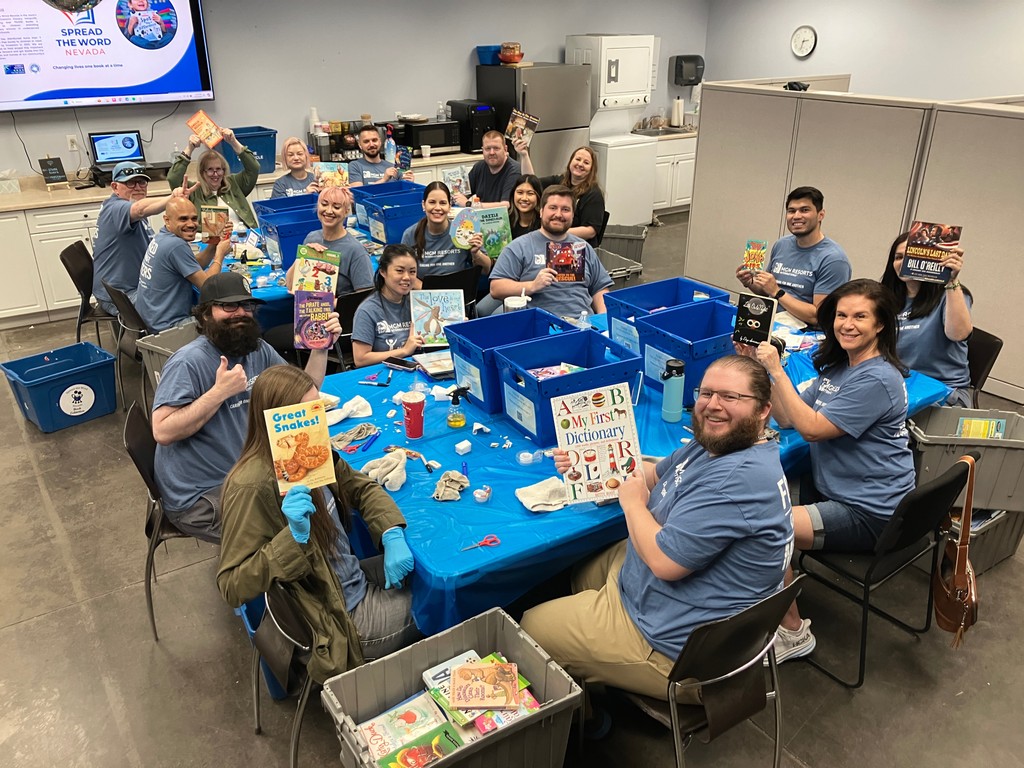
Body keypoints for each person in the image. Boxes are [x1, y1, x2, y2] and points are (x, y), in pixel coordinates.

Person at [520, 355, 793, 701]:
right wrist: (589, 461)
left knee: (531, 625)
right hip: (669, 600)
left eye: (731, 397)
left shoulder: (734, 480)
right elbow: (651, 474)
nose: (713, 406)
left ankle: (585, 718)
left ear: (763, 409)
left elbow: (664, 562)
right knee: (582, 571)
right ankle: (589, 664)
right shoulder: (721, 443)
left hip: (674, 650)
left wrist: (632, 503)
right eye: (706, 393)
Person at [745, 278, 916, 662]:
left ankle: (792, 631)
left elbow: (812, 429)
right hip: (841, 492)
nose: (847, 324)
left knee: (765, 529)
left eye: (860, 316)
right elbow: (789, 418)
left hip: (870, 511)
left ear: (881, 325)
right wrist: (765, 370)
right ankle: (768, 591)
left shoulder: (877, 378)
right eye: (841, 315)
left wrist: (777, 369)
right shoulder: (841, 367)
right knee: (759, 505)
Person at [217, 364, 419, 682]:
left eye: (318, 410)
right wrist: (292, 539)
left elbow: (360, 486)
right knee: (447, 606)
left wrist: (391, 532)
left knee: (432, 575)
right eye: (308, 414)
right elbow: (232, 585)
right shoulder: (251, 485)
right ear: (276, 420)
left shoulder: (309, 450)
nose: (319, 424)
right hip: (339, 621)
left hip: (349, 583)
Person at [151, 272, 340, 543]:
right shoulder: (188, 362)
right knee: (297, 532)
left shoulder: (256, 350)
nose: (240, 313)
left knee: (322, 499)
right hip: (202, 499)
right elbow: (162, 431)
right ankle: (264, 580)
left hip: (247, 477)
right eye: (229, 306)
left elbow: (302, 392)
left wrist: (321, 347)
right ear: (205, 315)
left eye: (247, 306)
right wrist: (219, 393)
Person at [488, 185, 613, 317]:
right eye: (553, 208)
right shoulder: (519, 247)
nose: (558, 214)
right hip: (539, 326)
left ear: (572, 215)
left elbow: (600, 288)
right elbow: (496, 288)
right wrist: (532, 286)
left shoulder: (583, 247)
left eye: (565, 209)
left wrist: (604, 319)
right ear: (541, 212)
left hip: (583, 324)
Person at [735, 186, 851, 326]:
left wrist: (777, 292)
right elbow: (767, 292)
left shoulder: (833, 259)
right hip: (769, 322)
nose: (796, 216)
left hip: (804, 335)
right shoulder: (781, 244)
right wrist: (750, 283)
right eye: (791, 211)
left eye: (804, 210)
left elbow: (819, 316)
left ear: (821, 215)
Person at [880, 232, 973, 406]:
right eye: (898, 257)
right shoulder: (887, 297)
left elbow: (959, 334)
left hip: (943, 392)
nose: (903, 262)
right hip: (899, 384)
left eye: (911, 256)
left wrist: (952, 280)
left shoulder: (950, 295)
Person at [91, 161, 196, 315]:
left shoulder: (130, 205)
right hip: (121, 296)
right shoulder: (116, 208)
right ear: (115, 187)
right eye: (130, 183)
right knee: (182, 297)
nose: (138, 187)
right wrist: (172, 198)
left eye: (142, 182)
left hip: (128, 287)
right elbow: (139, 209)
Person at [135, 197, 233, 332]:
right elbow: (208, 286)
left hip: (151, 318)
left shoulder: (163, 236)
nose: (191, 224)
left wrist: (213, 245)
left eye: (194, 218)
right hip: (168, 327)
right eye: (183, 219)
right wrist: (219, 255)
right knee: (233, 317)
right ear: (167, 220)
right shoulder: (175, 245)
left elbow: (192, 266)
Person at [285, 186, 374, 296]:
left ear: (346, 211)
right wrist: (303, 256)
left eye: (336, 207)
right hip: (309, 310)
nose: (329, 211)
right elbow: (290, 284)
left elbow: (365, 298)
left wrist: (328, 301)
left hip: (341, 312)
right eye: (324, 204)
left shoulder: (355, 251)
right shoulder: (311, 237)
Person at [168, 127, 260, 228]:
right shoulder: (193, 190)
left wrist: (233, 142)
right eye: (210, 170)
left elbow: (254, 168)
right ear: (202, 172)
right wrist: (190, 148)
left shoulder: (234, 184)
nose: (215, 174)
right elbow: (173, 178)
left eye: (219, 169)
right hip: (213, 242)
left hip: (245, 237)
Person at [515, 143, 606, 245]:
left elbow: (590, 231)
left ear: (592, 169)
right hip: (552, 242)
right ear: (570, 161)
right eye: (578, 159)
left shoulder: (594, 194)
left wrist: (555, 232)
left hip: (577, 247)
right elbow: (531, 182)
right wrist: (524, 155)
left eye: (586, 162)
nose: (580, 164)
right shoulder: (559, 181)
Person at [401, 182, 487, 284]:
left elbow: (485, 270)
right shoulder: (410, 235)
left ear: (449, 206)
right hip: (423, 295)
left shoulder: (463, 232)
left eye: (443, 203)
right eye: (432, 202)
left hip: (458, 294)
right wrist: (429, 293)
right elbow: (404, 274)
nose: (437, 208)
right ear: (423, 205)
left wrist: (476, 253)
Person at [351, 244, 423, 366]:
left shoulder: (418, 304)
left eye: (412, 272)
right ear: (383, 272)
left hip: (417, 369)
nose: (406, 277)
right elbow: (360, 359)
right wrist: (404, 350)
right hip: (383, 374)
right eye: (399, 271)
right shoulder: (367, 310)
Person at [452, 131, 520, 209]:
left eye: (496, 148)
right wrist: (456, 195)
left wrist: (469, 204)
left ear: (505, 149)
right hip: (482, 218)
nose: (491, 152)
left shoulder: (514, 171)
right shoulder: (479, 167)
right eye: (487, 149)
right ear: (482, 150)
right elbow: (464, 193)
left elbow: (506, 205)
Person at [348, 125, 414, 187]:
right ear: (360, 145)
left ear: (380, 141)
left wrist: (410, 183)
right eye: (366, 141)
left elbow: (404, 193)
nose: (371, 144)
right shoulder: (355, 166)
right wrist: (384, 179)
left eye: (374, 140)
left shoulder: (394, 167)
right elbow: (358, 194)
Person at [507, 174, 543, 240]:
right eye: (520, 193)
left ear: (538, 197)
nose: (524, 198)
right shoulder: (505, 222)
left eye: (530, 193)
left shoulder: (544, 224)